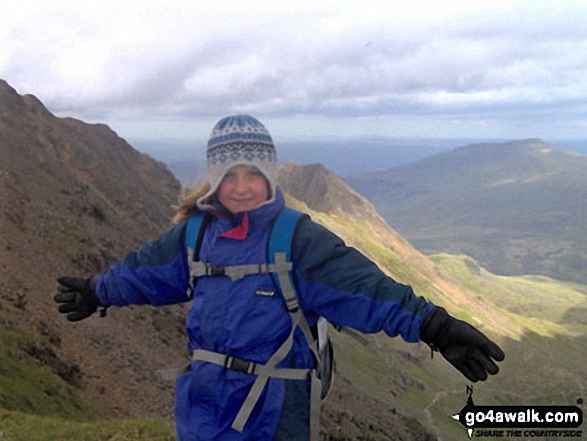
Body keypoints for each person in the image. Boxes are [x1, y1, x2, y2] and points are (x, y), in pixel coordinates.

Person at [54, 114, 505, 441]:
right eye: (230, 175)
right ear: (214, 180)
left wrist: (436, 327)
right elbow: (144, 273)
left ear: (271, 176)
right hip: (202, 408)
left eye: (254, 173)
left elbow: (367, 289)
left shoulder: (297, 239)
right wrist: (98, 291)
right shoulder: (194, 235)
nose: (243, 186)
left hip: (272, 416)